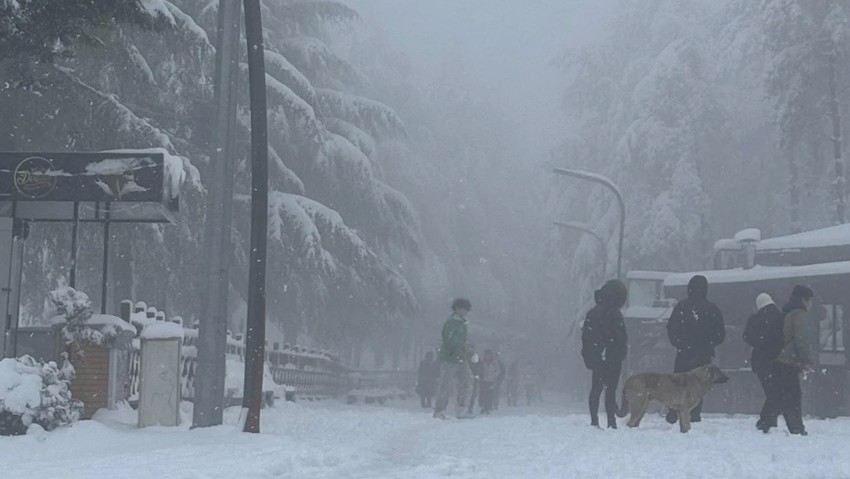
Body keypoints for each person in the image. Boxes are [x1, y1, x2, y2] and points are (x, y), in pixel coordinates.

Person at [665, 275, 725, 424]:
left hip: (684, 353)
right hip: (703, 355)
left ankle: (673, 412)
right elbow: (720, 334)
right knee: (699, 386)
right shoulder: (712, 309)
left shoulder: (681, 307)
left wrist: (680, 343)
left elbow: (672, 328)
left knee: (678, 384)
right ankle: (695, 413)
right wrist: (709, 344)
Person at [581, 279, 628, 428]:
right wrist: (620, 352)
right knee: (611, 389)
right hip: (612, 356)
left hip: (597, 355)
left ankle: (594, 420)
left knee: (596, 388)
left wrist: (591, 354)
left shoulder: (593, 312)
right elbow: (620, 337)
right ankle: (611, 421)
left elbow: (586, 337)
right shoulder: (615, 313)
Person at [773, 285, 815, 435]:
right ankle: (796, 427)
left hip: (783, 359)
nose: (811, 305)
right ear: (804, 300)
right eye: (810, 301)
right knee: (793, 396)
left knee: (786, 394)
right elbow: (800, 339)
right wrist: (806, 359)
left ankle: (791, 425)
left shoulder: (788, 312)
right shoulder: (799, 315)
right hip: (789, 360)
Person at [743, 293, 784, 432]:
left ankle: (766, 420)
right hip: (778, 360)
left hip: (761, 361)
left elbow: (747, 337)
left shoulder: (755, 319)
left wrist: (760, 343)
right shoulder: (780, 317)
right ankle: (767, 420)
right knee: (777, 392)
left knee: (771, 392)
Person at [433, 298, 473, 419]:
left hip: (461, 357)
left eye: (466, 309)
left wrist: (467, 350)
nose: (465, 311)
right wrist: (461, 348)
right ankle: (439, 410)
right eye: (463, 309)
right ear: (457, 308)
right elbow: (449, 340)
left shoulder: (463, 324)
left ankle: (461, 408)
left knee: (467, 381)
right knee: (446, 383)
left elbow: (461, 341)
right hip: (450, 358)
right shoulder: (451, 323)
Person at [479, 349, 501, 414]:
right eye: (486, 354)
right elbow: (480, 370)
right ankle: (483, 406)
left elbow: (497, 371)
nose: (487, 356)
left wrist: (495, 376)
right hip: (483, 380)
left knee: (489, 394)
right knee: (483, 394)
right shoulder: (482, 362)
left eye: (488, 354)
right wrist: (480, 376)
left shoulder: (494, 363)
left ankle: (488, 407)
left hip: (491, 381)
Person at [467, 345, 481, 415]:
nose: (470, 349)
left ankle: (470, 408)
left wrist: (477, 374)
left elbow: (479, 366)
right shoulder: (465, 357)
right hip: (466, 378)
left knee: (472, 394)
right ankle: (464, 408)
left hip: (474, 378)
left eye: (472, 348)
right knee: (465, 393)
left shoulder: (476, 357)